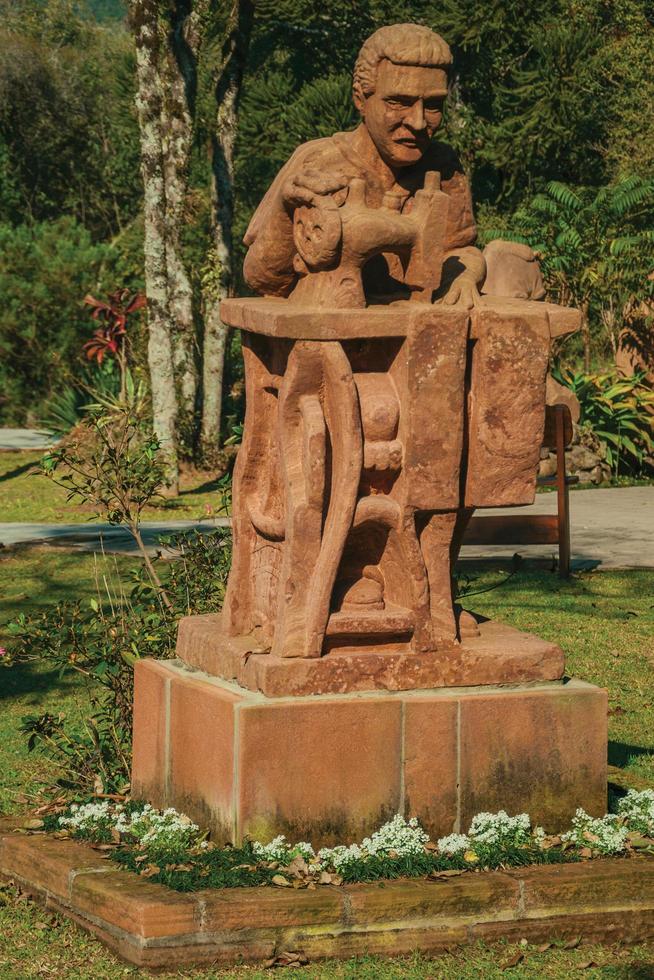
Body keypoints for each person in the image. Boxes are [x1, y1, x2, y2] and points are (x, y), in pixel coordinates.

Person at [243, 23, 486, 309]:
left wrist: (463, 278)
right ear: (361, 99)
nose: (419, 122)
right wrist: (286, 211)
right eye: (399, 102)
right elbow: (262, 281)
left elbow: (460, 250)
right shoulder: (317, 163)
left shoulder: (443, 167)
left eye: (433, 105)